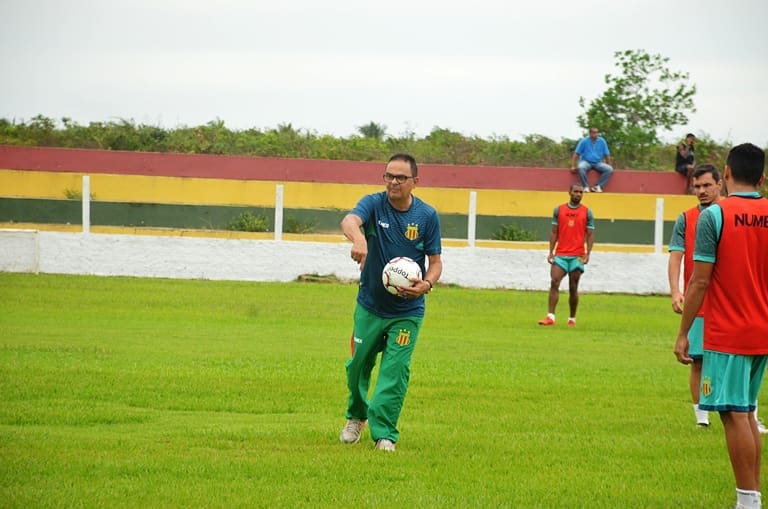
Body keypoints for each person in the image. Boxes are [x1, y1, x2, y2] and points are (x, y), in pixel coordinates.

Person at [674, 143, 768, 509]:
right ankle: (751, 496)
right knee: (746, 410)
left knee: (733, 414)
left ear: (726, 174)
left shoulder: (715, 216)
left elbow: (699, 282)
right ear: (761, 177)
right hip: (762, 330)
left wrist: (683, 332)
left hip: (729, 332)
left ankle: (748, 501)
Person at [339, 153, 443, 452]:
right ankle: (356, 417)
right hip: (370, 305)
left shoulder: (426, 216)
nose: (393, 182)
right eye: (388, 176)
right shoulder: (373, 204)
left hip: (407, 312)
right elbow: (349, 220)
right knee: (357, 365)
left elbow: (435, 262)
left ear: (415, 182)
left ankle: (384, 434)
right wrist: (359, 239)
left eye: (400, 177)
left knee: (394, 371)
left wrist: (427, 283)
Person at [667, 164, 722, 427]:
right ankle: (702, 419)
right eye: (697, 186)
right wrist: (676, 290)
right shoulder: (686, 219)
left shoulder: (728, 215)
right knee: (696, 361)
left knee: (733, 361)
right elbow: (676, 256)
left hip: (726, 303)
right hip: (698, 301)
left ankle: (749, 415)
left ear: (719, 185)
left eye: (707, 185)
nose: (701, 191)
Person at [538, 183, 595, 327]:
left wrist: (588, 253)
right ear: (569, 192)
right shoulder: (559, 210)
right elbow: (554, 232)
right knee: (554, 281)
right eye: (576, 191)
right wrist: (551, 251)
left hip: (578, 255)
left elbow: (590, 234)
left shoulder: (587, 212)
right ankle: (550, 317)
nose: (578, 194)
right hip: (561, 254)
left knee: (573, 286)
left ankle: (572, 318)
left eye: (581, 192)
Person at [571, 127, 614, 193]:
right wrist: (573, 166)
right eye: (594, 133)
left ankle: (598, 186)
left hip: (598, 163)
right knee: (581, 167)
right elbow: (576, 154)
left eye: (597, 132)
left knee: (609, 169)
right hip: (585, 161)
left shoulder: (602, 141)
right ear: (590, 133)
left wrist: (609, 165)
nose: (596, 134)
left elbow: (607, 154)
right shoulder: (584, 141)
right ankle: (585, 187)